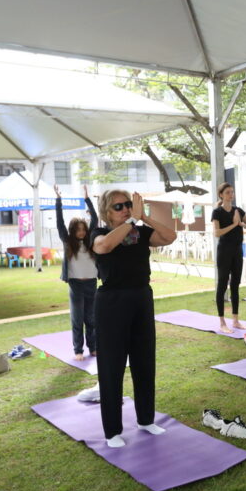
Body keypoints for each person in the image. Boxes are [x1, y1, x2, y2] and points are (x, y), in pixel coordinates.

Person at [91, 189, 176, 448]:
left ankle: (146, 418)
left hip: (141, 297)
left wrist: (144, 218)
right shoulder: (99, 233)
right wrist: (130, 222)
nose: (126, 209)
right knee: (112, 367)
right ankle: (112, 430)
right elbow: (104, 247)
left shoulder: (140, 232)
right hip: (112, 302)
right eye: (119, 207)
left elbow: (170, 237)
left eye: (128, 205)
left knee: (144, 360)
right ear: (107, 212)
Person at [55, 184, 99, 361]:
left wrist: (87, 198)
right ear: (73, 231)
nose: (81, 232)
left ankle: (93, 348)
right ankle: (78, 350)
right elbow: (59, 224)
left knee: (91, 319)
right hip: (76, 284)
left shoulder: (90, 240)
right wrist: (58, 200)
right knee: (77, 319)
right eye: (78, 229)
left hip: (91, 283)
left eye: (83, 229)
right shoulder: (67, 242)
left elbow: (95, 219)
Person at [212, 183, 246, 337]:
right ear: (221, 195)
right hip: (224, 252)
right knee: (222, 285)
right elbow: (217, 233)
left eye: (232, 192)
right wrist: (234, 225)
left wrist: (242, 224)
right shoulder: (217, 212)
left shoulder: (238, 211)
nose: (231, 194)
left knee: (236, 285)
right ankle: (222, 322)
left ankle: (235, 320)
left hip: (237, 252)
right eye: (228, 192)